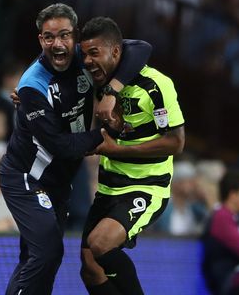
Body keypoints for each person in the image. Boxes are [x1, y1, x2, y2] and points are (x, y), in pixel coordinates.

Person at [0, 4, 152, 295]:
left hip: (58, 181)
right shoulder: (32, 86)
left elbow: (141, 48)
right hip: (26, 177)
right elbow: (60, 145)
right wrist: (105, 134)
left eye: (64, 35)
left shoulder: (84, 57)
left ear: (75, 37)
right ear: (40, 40)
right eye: (48, 37)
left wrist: (112, 91)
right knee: (46, 253)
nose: (57, 44)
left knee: (38, 259)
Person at [78, 17, 185, 295]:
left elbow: (176, 143)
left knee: (101, 244)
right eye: (84, 54)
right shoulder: (99, 82)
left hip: (146, 186)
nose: (87, 61)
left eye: (94, 53)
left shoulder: (156, 85)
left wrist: (119, 150)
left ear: (116, 52)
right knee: (90, 267)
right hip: (108, 187)